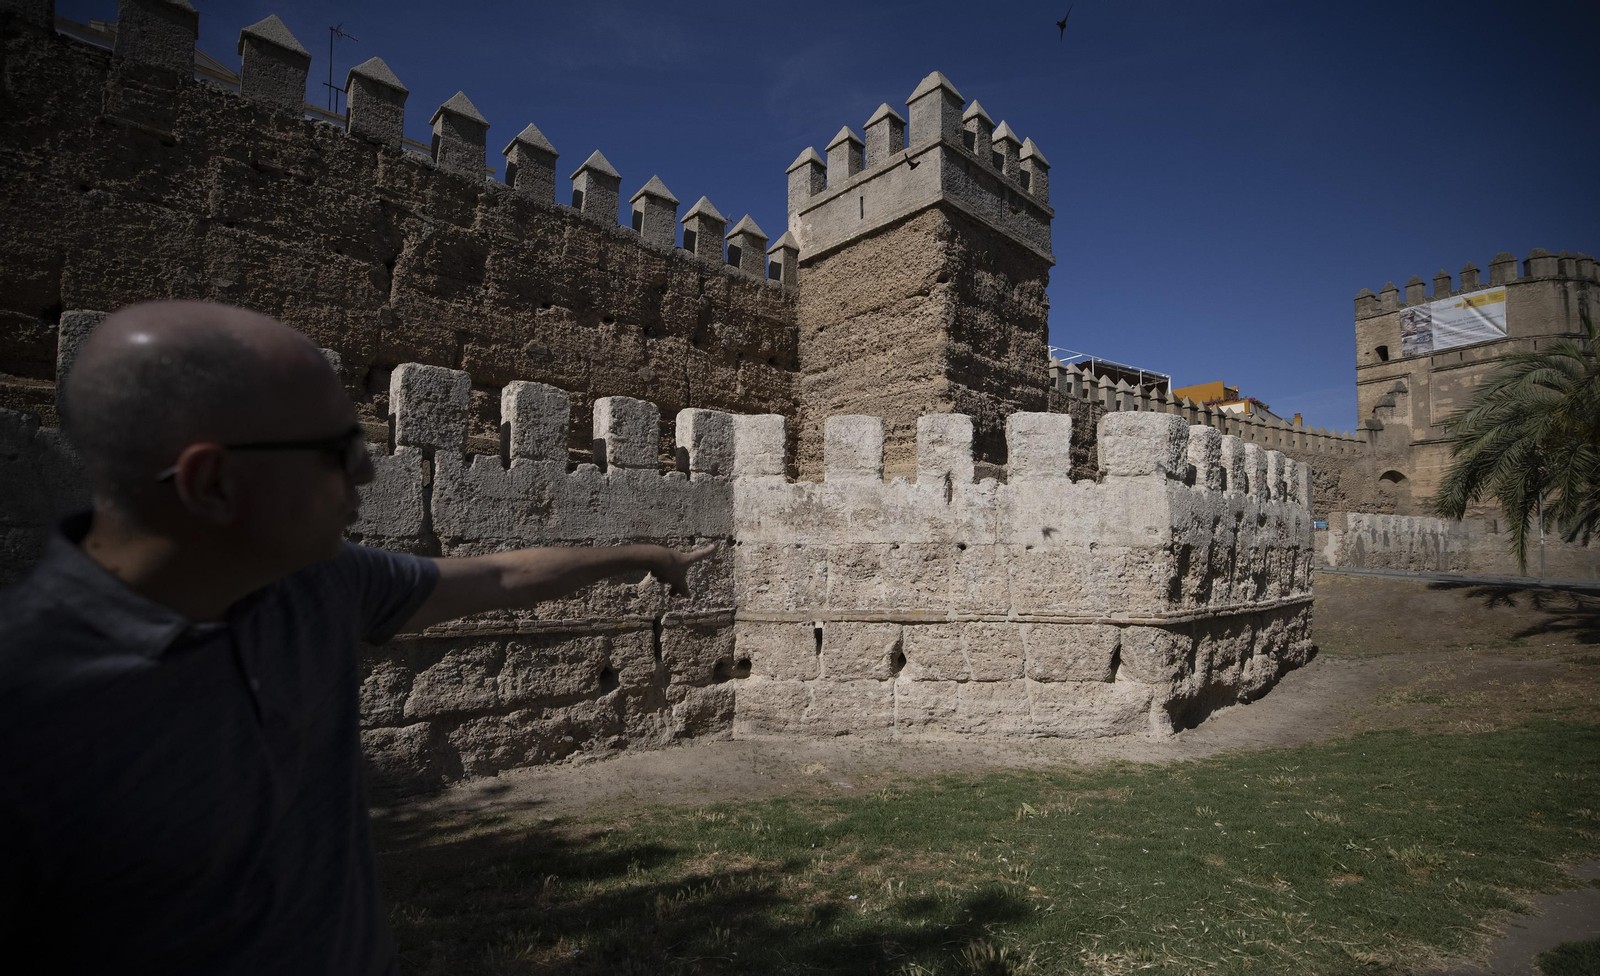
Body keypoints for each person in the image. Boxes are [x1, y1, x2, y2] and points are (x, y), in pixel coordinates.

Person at [0, 301, 714, 973]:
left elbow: (501, 578)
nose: (370, 469)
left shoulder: (317, 584)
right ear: (213, 483)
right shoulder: (35, 711)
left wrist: (646, 557)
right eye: (339, 450)